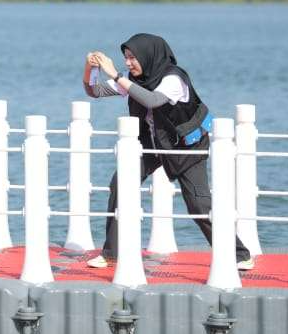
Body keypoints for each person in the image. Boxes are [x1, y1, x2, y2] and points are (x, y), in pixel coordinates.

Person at [82, 33, 253, 270]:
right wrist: (90, 68)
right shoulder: (135, 79)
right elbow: (94, 91)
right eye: (126, 57)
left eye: (132, 57)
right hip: (153, 144)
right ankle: (112, 253)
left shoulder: (174, 79)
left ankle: (239, 254)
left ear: (148, 56)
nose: (128, 63)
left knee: (198, 205)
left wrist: (116, 75)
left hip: (186, 146)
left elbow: (153, 100)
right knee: (121, 183)